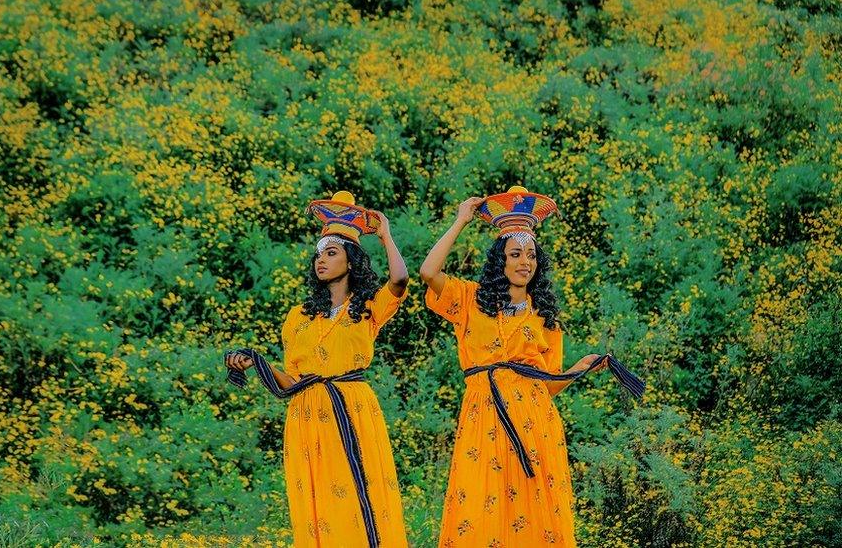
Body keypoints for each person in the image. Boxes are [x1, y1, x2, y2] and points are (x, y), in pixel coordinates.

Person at [419, 186, 644, 547]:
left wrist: (577, 369)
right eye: (515, 254)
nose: (525, 262)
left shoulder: (545, 319)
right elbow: (429, 272)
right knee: (480, 504)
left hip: (534, 420)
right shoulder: (469, 300)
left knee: (531, 507)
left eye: (531, 255)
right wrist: (461, 220)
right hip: (483, 413)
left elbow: (548, 385)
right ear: (500, 260)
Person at [226, 190, 410, 548]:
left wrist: (386, 234)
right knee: (318, 503)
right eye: (318, 254)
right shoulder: (298, 317)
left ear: (351, 260)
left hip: (353, 409)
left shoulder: (368, 308)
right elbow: (294, 381)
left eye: (331, 252)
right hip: (307, 417)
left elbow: (400, 280)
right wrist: (257, 362)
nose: (320, 260)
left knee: (360, 496)